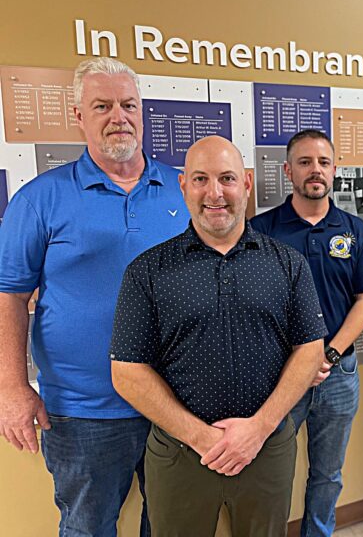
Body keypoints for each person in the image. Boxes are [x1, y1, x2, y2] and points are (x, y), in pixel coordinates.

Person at [0, 57, 188, 536]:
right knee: (87, 528)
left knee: (168, 524)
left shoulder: (183, 189)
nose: (118, 116)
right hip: (83, 411)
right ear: (79, 116)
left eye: (128, 104)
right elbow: (10, 297)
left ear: (142, 113)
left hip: (175, 402)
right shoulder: (40, 199)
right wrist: (12, 387)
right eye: (102, 105)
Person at [110, 135, 327, 537]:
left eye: (227, 178)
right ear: (183, 186)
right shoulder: (148, 271)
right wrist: (202, 437)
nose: (215, 193)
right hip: (180, 453)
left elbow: (310, 350)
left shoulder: (288, 265)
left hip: (266, 447)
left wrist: (258, 429)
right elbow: (126, 372)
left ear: (246, 184)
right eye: (200, 179)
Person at [251, 129, 363, 536]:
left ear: (335, 170)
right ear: (289, 171)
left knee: (328, 473)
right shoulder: (260, 230)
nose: (315, 170)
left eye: (323, 162)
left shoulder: (354, 230)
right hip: (279, 376)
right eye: (305, 162)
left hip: (337, 374)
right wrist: (298, 362)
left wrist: (330, 355)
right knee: (271, 470)